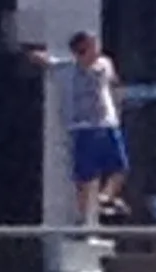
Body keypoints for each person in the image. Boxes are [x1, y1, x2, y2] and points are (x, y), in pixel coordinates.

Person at [42, 27, 127, 225]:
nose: (96, 51)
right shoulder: (66, 69)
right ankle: (84, 218)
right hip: (83, 127)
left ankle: (106, 198)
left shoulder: (105, 64)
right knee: (85, 177)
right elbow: (46, 61)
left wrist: (118, 97)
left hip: (106, 123)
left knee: (120, 167)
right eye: (91, 47)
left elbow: (114, 82)